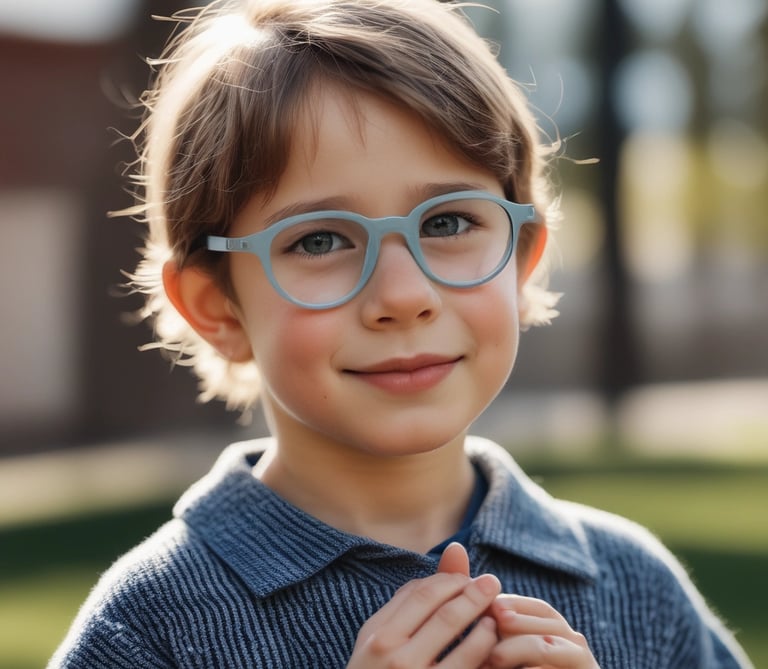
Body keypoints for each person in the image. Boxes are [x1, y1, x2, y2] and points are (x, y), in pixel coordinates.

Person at [49, 0, 753, 667]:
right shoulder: (147, 626)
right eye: (321, 239)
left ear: (520, 256)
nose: (403, 296)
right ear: (218, 307)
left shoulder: (634, 585)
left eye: (447, 223)